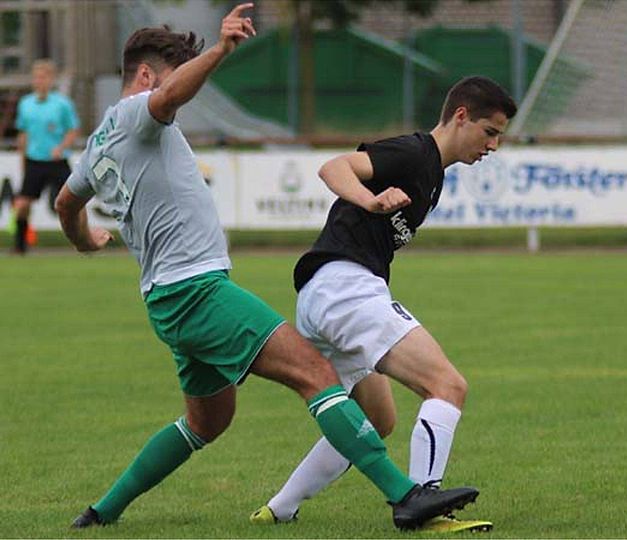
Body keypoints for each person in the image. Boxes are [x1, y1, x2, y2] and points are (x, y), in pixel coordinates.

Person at [55, 4, 477, 531]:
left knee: (207, 421)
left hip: (166, 302)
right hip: (197, 292)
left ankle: (102, 512)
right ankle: (403, 496)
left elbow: (65, 205)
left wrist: (85, 240)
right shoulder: (136, 110)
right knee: (317, 374)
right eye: (167, 77)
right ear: (144, 75)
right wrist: (221, 50)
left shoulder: (98, 146)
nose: (174, 100)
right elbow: (167, 96)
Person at [249, 75, 516, 533]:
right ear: (460, 117)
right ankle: (423, 502)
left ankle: (280, 507)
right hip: (343, 288)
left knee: (377, 417)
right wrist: (371, 201)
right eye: (489, 132)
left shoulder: (434, 175)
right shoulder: (414, 153)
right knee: (447, 385)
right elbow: (334, 168)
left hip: (324, 294)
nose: (493, 146)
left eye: (500, 137)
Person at [11, 59, 79, 254]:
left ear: (51, 79)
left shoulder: (62, 104)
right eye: (36, 77)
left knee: (73, 202)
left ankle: (81, 239)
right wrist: (22, 158)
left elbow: (73, 130)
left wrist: (62, 147)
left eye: (42, 77)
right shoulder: (26, 103)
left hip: (57, 161)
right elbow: (23, 133)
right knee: (23, 204)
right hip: (35, 160)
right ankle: (19, 245)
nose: (38, 81)